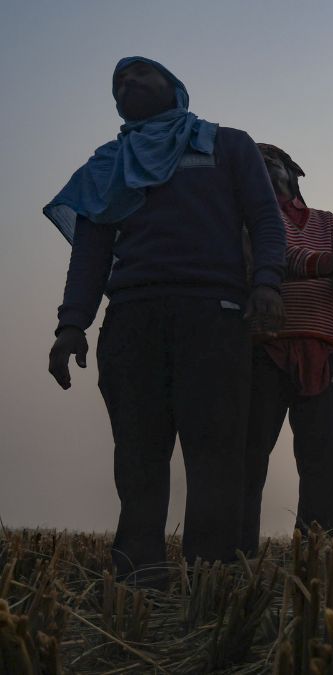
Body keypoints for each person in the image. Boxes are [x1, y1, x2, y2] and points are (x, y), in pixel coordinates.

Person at [45, 57, 285, 584]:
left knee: (215, 453)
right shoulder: (108, 164)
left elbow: (266, 219)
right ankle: (140, 572)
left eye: (140, 75)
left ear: (175, 88)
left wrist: (266, 281)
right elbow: (90, 251)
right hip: (131, 318)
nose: (128, 84)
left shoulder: (227, 144)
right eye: (118, 83)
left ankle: (210, 577)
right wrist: (71, 325)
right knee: (137, 453)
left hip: (214, 315)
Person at [239, 144, 333, 553]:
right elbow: (275, 255)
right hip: (264, 346)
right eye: (255, 163)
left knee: (321, 456)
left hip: (321, 348)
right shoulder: (247, 216)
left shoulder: (327, 221)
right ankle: (238, 549)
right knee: (250, 453)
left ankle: (315, 551)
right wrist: (332, 263)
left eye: (271, 161)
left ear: (293, 173)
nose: (264, 167)